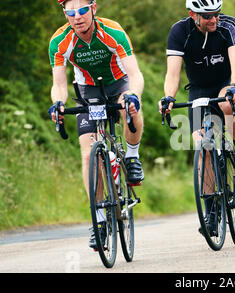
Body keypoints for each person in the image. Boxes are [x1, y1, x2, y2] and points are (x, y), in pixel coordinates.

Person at [48, 0, 145, 250]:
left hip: (118, 83)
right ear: (65, 14)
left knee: (131, 109)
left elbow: (135, 74)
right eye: (70, 12)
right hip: (87, 90)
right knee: (87, 153)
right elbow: (59, 83)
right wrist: (58, 103)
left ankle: (132, 157)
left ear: (94, 9)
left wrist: (133, 95)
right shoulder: (59, 41)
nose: (77, 17)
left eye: (82, 11)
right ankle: (99, 220)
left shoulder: (112, 31)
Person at [158, 0, 235, 235]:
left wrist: (234, 87)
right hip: (199, 89)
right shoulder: (179, 31)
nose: (214, 19)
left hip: (227, 83)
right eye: (207, 16)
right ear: (192, 14)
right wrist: (168, 97)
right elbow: (172, 73)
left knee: (226, 103)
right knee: (203, 147)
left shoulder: (229, 25)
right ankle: (211, 212)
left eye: (216, 14)